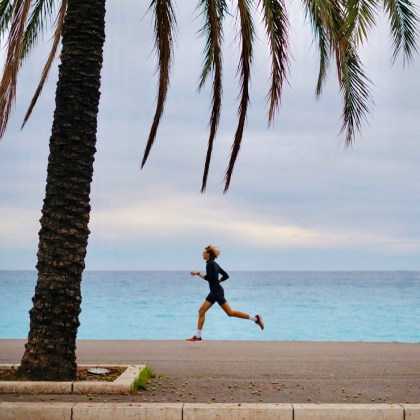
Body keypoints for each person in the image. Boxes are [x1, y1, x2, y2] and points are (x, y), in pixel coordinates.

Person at [186, 245, 264, 341]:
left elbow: (208, 278)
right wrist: (218, 281)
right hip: (214, 291)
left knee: (230, 313)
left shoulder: (209, 264)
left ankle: (256, 319)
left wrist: (197, 273)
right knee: (202, 311)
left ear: (208, 254)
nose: (203, 254)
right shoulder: (215, 264)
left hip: (216, 293)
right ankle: (198, 336)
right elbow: (226, 276)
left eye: (204, 252)